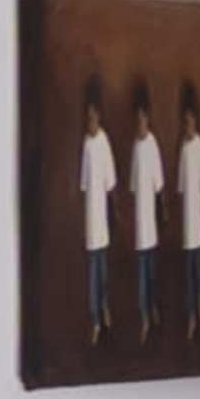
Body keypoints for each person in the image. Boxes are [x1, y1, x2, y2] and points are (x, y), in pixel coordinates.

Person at [78, 79, 117, 344]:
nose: (90, 122)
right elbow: (84, 182)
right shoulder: (86, 143)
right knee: (93, 268)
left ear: (98, 117)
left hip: (101, 215)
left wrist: (111, 209)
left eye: (93, 117)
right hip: (90, 217)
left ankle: (104, 307)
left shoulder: (103, 142)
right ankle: (94, 318)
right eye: (87, 118)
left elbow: (110, 180)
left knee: (103, 267)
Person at [175, 79, 200, 340]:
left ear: (196, 122)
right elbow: (180, 186)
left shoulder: (199, 147)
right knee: (188, 272)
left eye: (191, 122)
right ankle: (190, 314)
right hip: (186, 223)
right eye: (184, 122)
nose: (188, 126)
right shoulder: (183, 148)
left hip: (197, 222)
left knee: (198, 268)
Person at [125, 84, 164, 341]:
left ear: (148, 119)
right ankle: (144, 316)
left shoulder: (152, 145)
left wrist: (162, 210)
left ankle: (153, 306)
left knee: (151, 267)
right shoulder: (135, 148)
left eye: (143, 118)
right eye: (136, 119)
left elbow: (159, 184)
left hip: (150, 217)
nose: (140, 122)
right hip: (140, 219)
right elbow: (132, 184)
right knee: (141, 269)